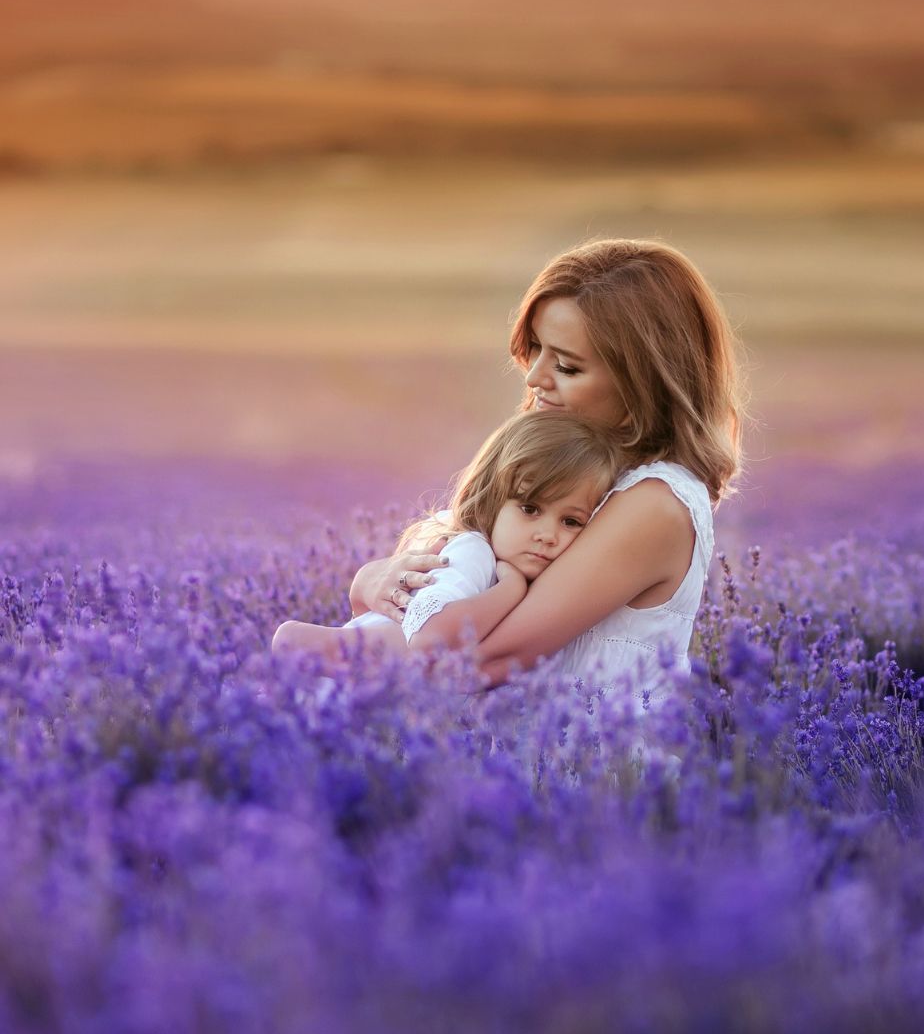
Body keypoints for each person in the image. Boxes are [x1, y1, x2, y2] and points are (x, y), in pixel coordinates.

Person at [348, 238, 746, 713]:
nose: (534, 377)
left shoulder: (656, 501)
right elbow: (439, 601)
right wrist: (374, 584)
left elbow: (473, 661)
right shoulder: (571, 473)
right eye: (535, 348)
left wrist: (324, 651)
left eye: (566, 365)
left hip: (594, 775)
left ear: (643, 381)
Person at [272, 411, 621, 666]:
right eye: (530, 509)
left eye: (572, 521)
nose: (548, 535)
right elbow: (430, 639)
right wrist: (510, 590)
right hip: (348, 685)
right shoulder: (474, 553)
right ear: (492, 501)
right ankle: (318, 643)